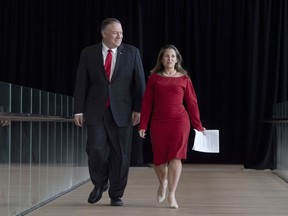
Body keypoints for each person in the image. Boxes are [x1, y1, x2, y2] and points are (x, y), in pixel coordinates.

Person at [73, 18, 146, 206]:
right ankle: (99, 183)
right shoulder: (88, 53)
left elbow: (140, 85)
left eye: (121, 32)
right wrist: (78, 111)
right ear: (104, 33)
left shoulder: (132, 52)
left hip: (123, 112)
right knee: (95, 149)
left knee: (121, 154)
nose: (120, 36)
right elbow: (81, 83)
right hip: (96, 110)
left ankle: (116, 193)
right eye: (115, 33)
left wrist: (139, 109)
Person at [139, 44, 205, 209]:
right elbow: (147, 103)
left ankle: (172, 194)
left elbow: (192, 103)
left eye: (173, 56)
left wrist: (198, 125)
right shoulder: (154, 78)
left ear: (177, 60)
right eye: (167, 56)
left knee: (176, 157)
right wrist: (143, 125)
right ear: (161, 59)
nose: (170, 59)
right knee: (159, 161)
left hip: (180, 122)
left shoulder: (184, 78)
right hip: (159, 122)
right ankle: (163, 182)